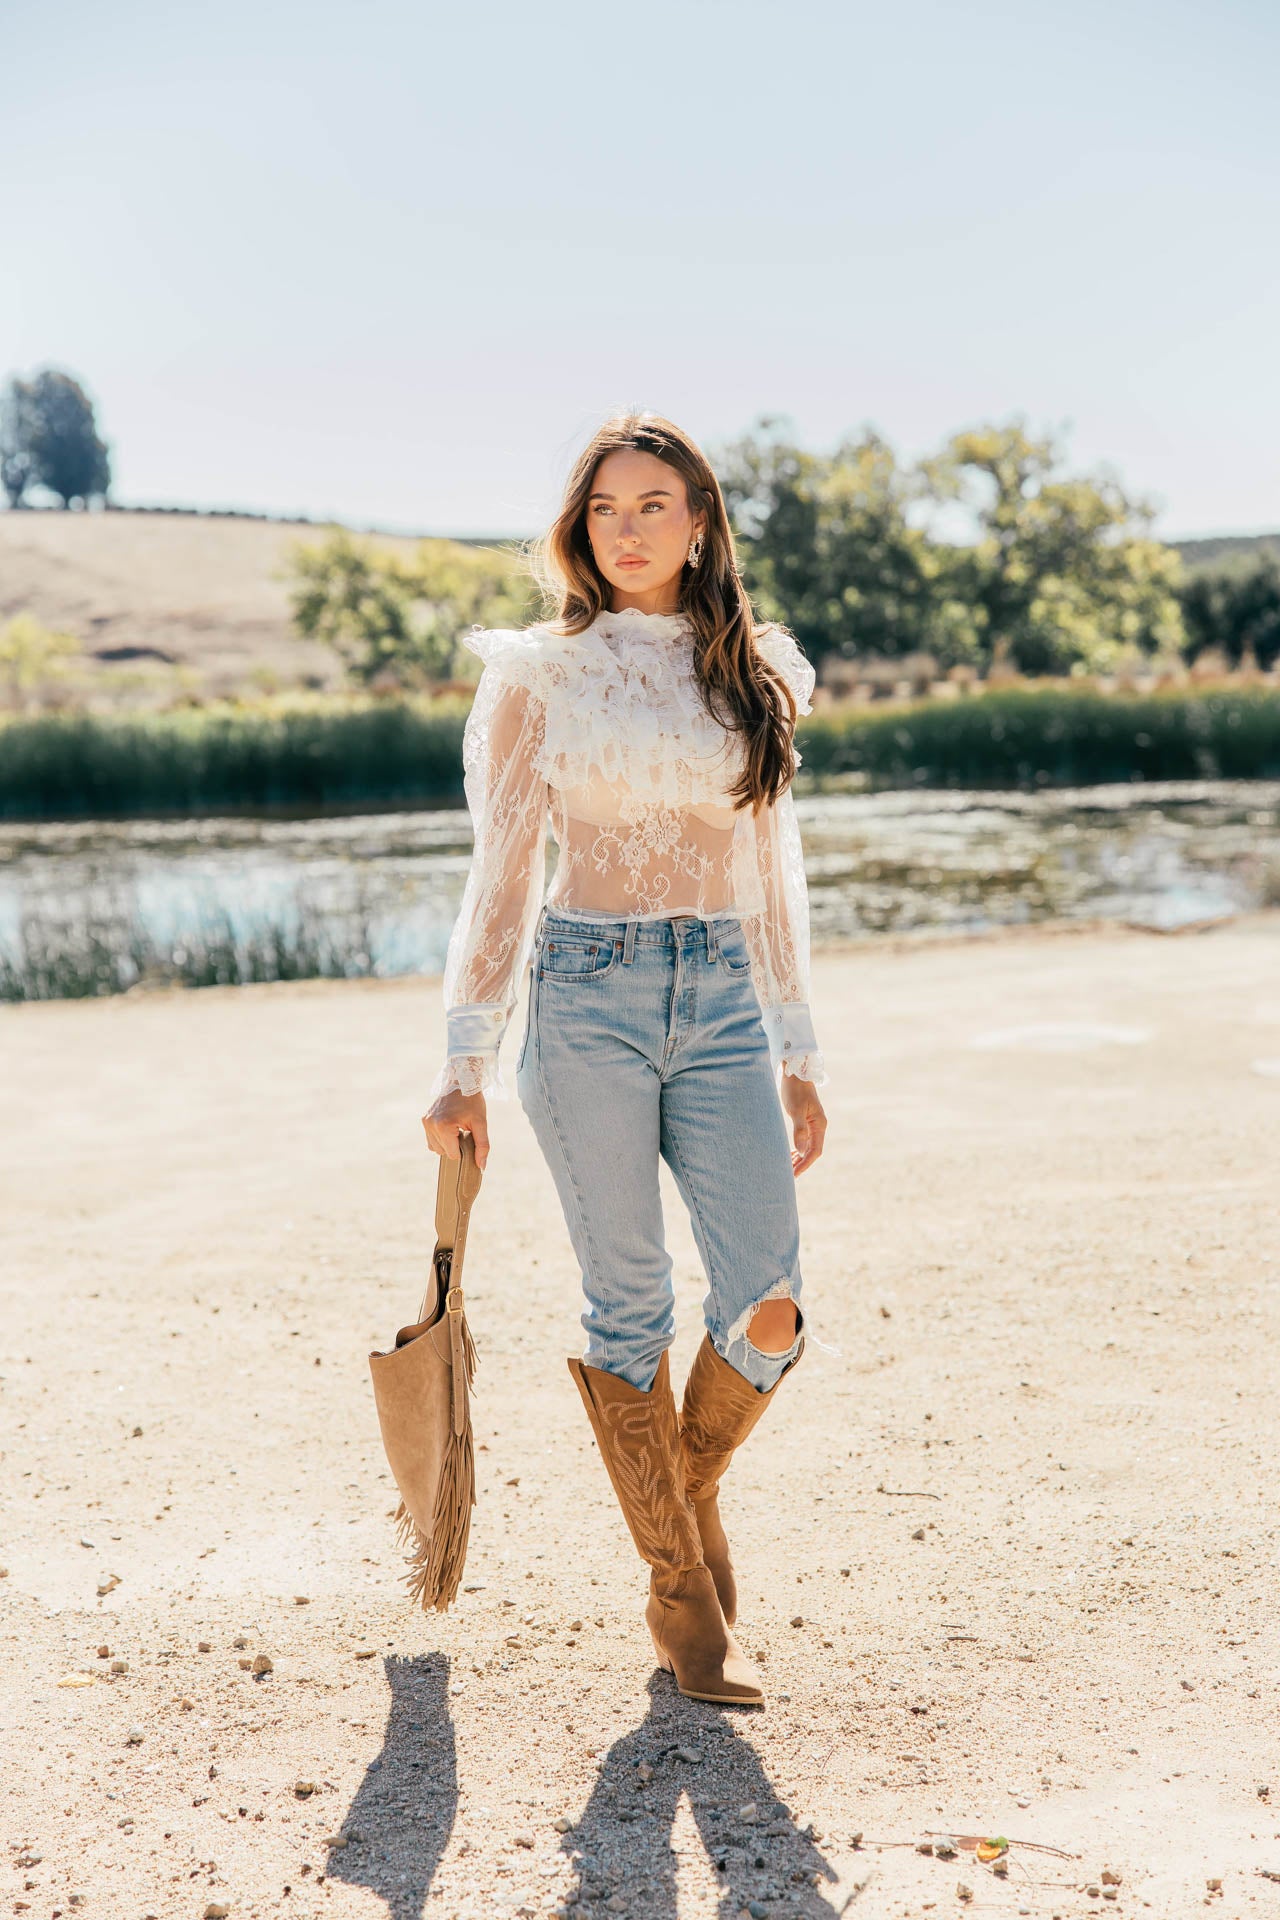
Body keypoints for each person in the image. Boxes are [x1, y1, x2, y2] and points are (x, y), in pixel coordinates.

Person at [422, 411, 828, 1707]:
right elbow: (502, 872)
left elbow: (772, 874)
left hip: (722, 998)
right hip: (583, 993)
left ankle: (676, 1493)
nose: (632, 528)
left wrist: (799, 1047)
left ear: (702, 523)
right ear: (579, 528)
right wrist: (462, 1056)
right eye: (608, 508)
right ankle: (683, 1599)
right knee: (631, 1310)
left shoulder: (754, 672)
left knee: (768, 1305)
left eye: (657, 504)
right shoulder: (540, 672)